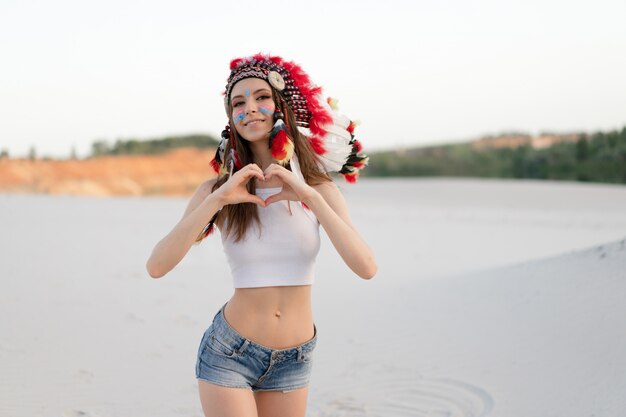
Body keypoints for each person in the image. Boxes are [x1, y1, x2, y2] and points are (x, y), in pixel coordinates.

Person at [146, 53, 377, 417]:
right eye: (239, 102)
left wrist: (310, 197)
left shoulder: (317, 189)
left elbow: (366, 267)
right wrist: (218, 199)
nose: (250, 108)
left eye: (261, 97)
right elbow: (157, 265)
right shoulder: (218, 191)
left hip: (295, 358)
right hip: (230, 353)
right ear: (230, 119)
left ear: (280, 106)